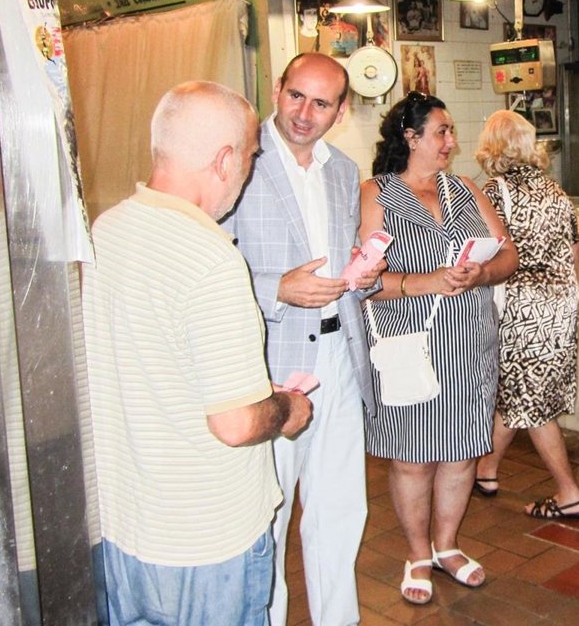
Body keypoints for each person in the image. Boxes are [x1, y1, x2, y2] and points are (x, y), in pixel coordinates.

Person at [83, 81, 313, 625]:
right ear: (225, 160)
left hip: (123, 527)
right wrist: (286, 408)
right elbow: (235, 423)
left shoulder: (107, 229)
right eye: (251, 157)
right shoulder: (211, 258)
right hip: (206, 541)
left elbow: (153, 362)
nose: (247, 172)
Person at [222, 53, 381, 626]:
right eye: (296, 96)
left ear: (340, 111)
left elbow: (343, 256)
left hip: (339, 354)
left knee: (340, 507)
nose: (304, 113)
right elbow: (210, 264)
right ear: (277, 88)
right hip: (271, 362)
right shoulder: (238, 160)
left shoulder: (342, 169)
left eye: (320, 103)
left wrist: (364, 272)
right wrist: (277, 288)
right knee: (268, 511)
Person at [360, 93, 518, 605]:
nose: (452, 141)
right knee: (413, 457)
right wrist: (423, 281)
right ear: (410, 138)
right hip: (410, 344)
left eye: (451, 131)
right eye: (441, 132)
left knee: (463, 450)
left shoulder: (465, 189)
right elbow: (362, 279)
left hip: (471, 342)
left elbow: (509, 255)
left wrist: (482, 272)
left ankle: (447, 545)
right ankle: (417, 553)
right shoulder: (376, 194)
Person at [471, 110, 579, 519]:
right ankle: (486, 471)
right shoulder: (556, 191)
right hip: (561, 304)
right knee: (519, 391)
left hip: (521, 310)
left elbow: (485, 253)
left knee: (531, 402)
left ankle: (570, 494)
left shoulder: (494, 191)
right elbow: (574, 251)